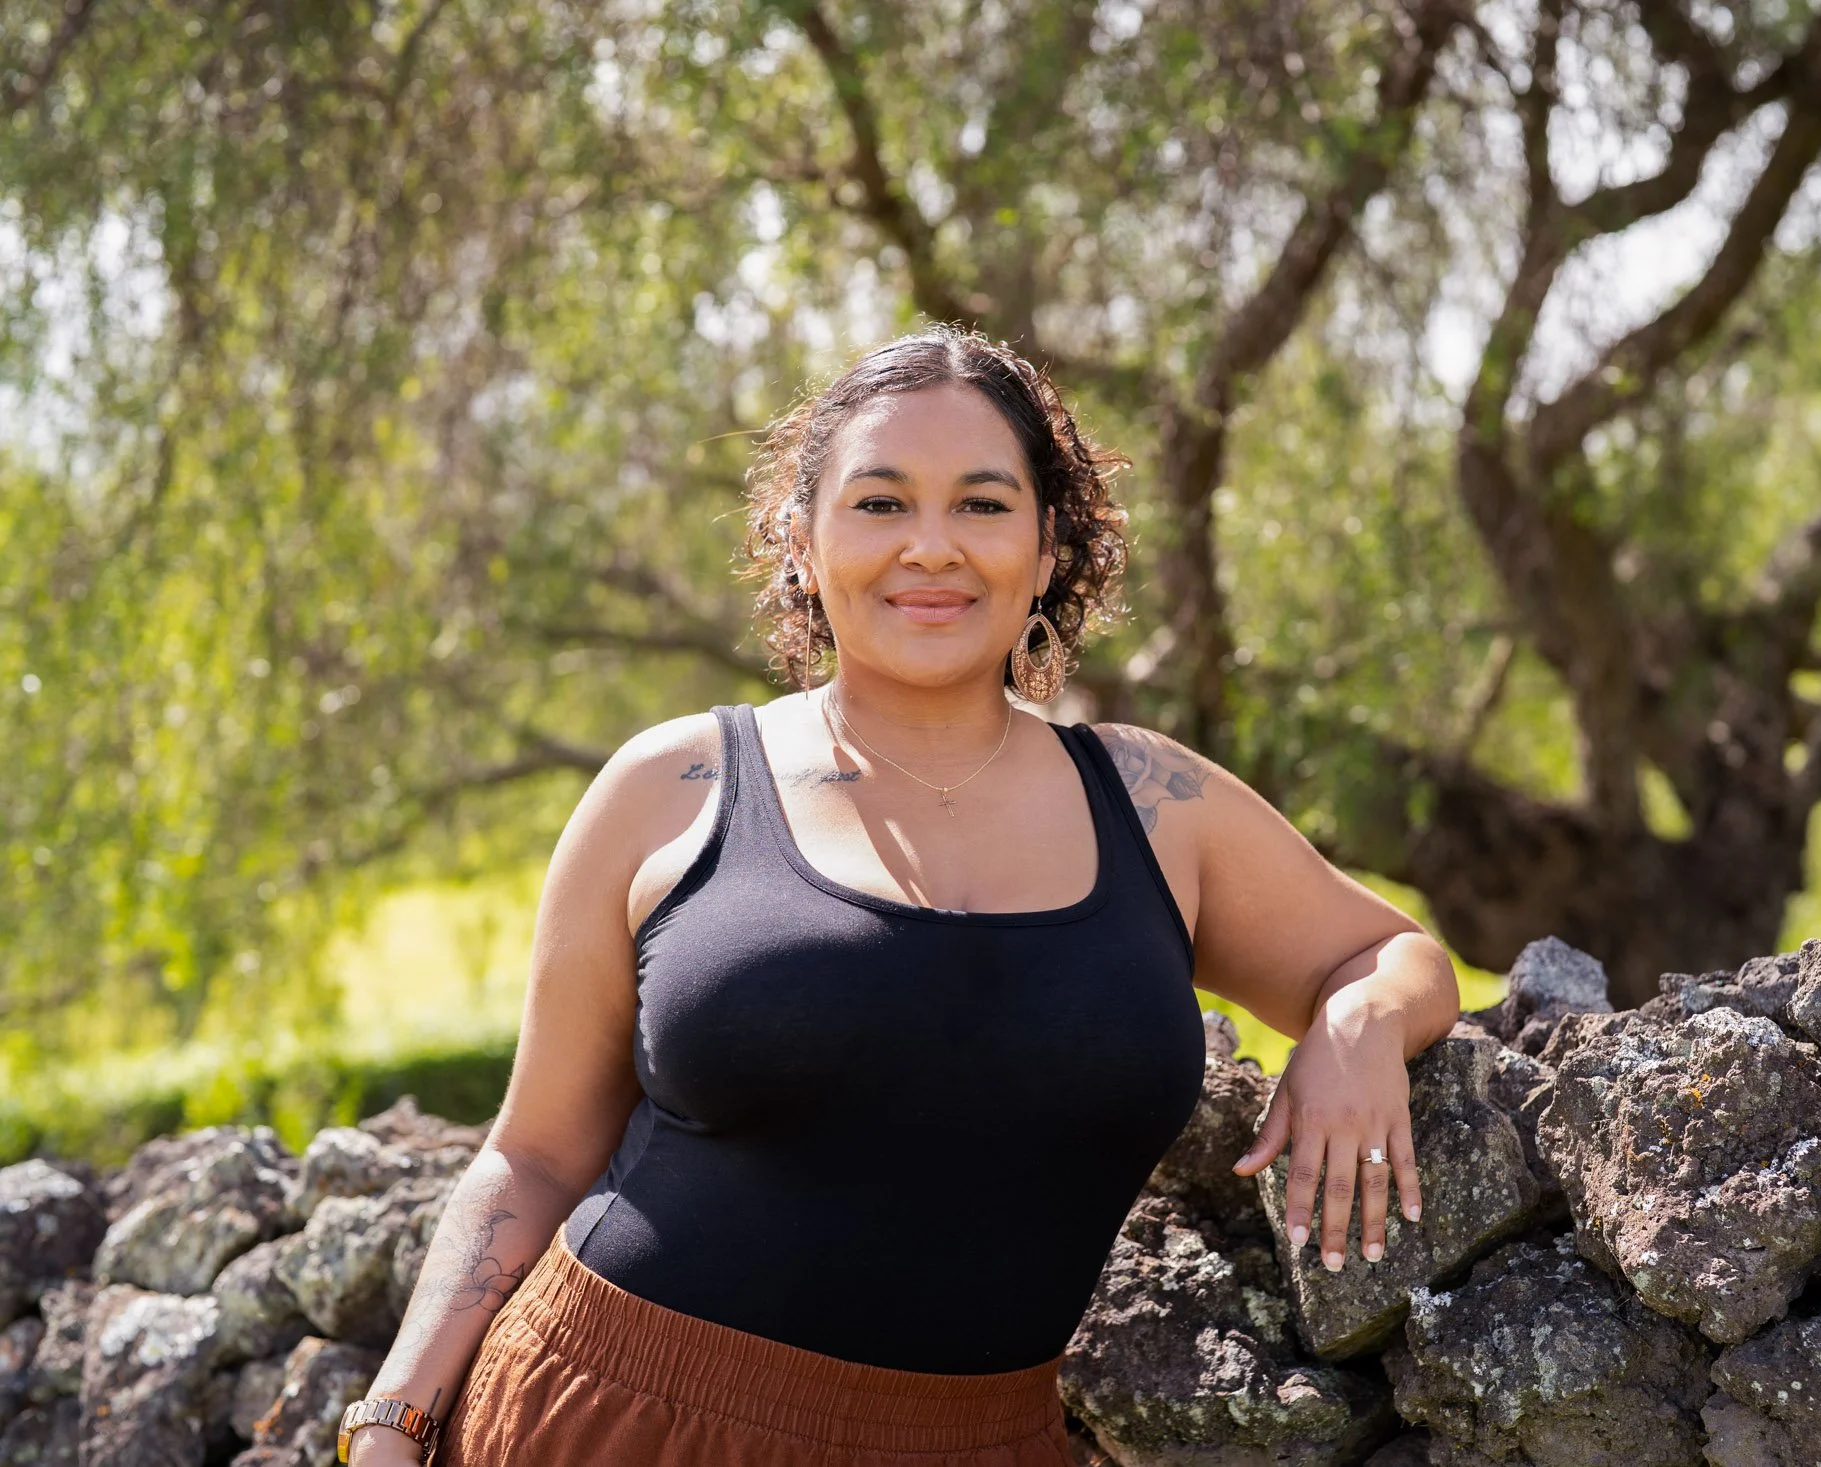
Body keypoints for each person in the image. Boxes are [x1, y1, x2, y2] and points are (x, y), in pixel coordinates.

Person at [339, 325, 1461, 1466]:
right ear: (802, 536)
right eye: (880, 505)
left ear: (1047, 543)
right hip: (621, 1416)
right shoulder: (670, 788)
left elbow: (1390, 953)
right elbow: (531, 1154)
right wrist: (394, 1420)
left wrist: (1359, 1025)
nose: (932, 548)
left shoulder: (1157, 805)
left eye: (982, 505)